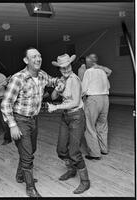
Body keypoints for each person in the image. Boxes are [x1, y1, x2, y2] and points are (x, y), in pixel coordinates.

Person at [1, 47, 62, 197]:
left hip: (33, 120)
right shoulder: (18, 78)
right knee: (28, 154)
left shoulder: (41, 75)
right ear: (26, 60)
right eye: (34, 57)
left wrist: (59, 83)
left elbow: (53, 80)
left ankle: (20, 175)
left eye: (39, 56)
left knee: (30, 149)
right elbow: (5, 104)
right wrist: (13, 125)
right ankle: (30, 188)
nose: (38, 59)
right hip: (20, 120)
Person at [47, 54, 90, 194]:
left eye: (68, 67)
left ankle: (85, 182)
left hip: (77, 116)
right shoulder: (61, 79)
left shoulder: (75, 80)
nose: (65, 70)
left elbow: (76, 102)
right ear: (59, 69)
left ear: (71, 65)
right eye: (62, 68)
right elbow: (53, 97)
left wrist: (56, 107)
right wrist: (57, 89)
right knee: (61, 150)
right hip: (66, 117)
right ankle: (72, 170)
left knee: (74, 152)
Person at [82, 54, 112, 160]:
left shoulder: (88, 72)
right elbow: (110, 73)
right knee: (102, 124)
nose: (85, 63)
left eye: (86, 61)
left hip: (93, 99)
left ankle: (94, 153)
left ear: (90, 62)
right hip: (105, 99)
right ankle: (104, 149)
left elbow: (84, 89)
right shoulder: (103, 71)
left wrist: (79, 99)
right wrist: (100, 66)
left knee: (89, 126)